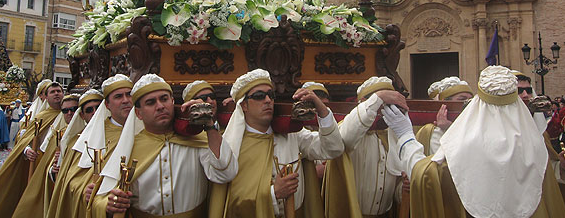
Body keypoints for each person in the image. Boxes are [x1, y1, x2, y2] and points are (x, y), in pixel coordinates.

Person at [395, 66, 565, 218]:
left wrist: (405, 137)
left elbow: (426, 177)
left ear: (477, 103)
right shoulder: (532, 144)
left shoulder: (463, 147)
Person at [92, 74, 237, 217]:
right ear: (138, 113)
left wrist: (209, 124)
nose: (160, 106)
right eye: (150, 102)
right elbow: (103, 197)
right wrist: (110, 203)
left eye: (164, 99)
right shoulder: (128, 147)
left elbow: (225, 173)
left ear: (173, 101)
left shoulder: (198, 141)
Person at [209, 68, 344, 217]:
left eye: (271, 95)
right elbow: (234, 204)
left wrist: (322, 111)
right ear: (244, 105)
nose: (268, 100)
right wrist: (274, 194)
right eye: (259, 96)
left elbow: (333, 149)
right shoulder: (235, 146)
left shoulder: (292, 136)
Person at [323, 76, 411, 217]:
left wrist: (404, 188)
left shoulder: (391, 136)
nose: (387, 109)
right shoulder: (351, 129)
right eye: (384, 103)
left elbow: (396, 189)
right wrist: (379, 97)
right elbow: (344, 137)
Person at [47, 74, 132, 218]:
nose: (126, 100)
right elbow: (70, 181)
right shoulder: (89, 137)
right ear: (107, 105)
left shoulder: (148, 129)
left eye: (129, 95)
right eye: (118, 96)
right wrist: (85, 191)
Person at [0, 81, 63, 217]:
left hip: (59, 164)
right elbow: (24, 139)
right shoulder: (40, 117)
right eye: (52, 92)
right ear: (45, 97)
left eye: (59, 91)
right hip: (39, 162)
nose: (56, 94)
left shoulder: (69, 113)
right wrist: (27, 150)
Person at [11, 93, 81, 217]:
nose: (69, 113)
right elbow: (47, 160)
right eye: (65, 110)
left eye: (73, 109)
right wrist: (52, 170)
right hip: (53, 180)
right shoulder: (57, 132)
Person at [415, 76, 473, 155]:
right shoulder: (433, 130)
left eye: (470, 99)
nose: (468, 103)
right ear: (446, 103)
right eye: (462, 99)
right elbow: (445, 161)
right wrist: (448, 129)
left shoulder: (473, 123)